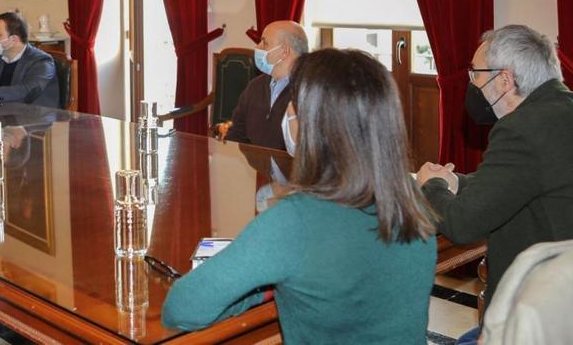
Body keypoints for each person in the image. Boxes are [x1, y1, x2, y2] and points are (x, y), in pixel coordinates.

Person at [162, 49, 437, 344]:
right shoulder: (413, 200)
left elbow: (182, 308)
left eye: (292, 106)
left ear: (310, 123)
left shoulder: (293, 221)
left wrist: (267, 282)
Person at [415, 24, 573, 343]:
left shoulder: (520, 129)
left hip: (535, 312)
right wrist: (455, 182)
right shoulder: (561, 109)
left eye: (476, 74)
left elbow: (462, 224)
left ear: (504, 79)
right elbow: (520, 180)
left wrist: (432, 185)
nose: (473, 84)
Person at [225, 20, 308, 150]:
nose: (257, 47)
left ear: (284, 51)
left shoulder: (309, 91)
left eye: (265, 42)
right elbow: (236, 134)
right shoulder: (255, 86)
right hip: (254, 168)